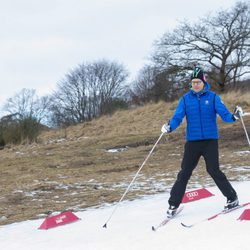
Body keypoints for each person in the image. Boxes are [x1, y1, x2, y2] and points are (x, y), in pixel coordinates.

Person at [161, 66, 244, 218]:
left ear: (204, 82)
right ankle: (173, 204)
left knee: (213, 170)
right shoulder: (185, 99)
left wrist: (234, 117)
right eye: (193, 82)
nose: (196, 85)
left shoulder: (213, 97)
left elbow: (224, 114)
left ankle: (232, 198)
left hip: (210, 141)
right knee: (184, 172)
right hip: (192, 142)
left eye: (198, 81)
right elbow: (177, 117)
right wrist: (169, 127)